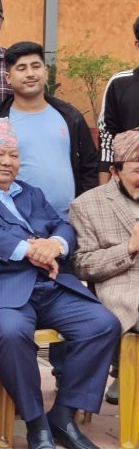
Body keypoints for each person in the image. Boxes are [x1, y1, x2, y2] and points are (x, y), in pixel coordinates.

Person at [0, 117, 121, 449]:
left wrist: (55, 244)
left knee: (102, 324)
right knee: (11, 332)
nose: (7, 162)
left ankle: (62, 415)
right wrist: (30, 249)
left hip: (47, 285)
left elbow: (62, 224)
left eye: (13, 155)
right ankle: (36, 424)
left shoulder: (30, 192)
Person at [70, 127, 139, 406]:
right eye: (137, 171)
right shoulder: (87, 204)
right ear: (115, 171)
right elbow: (82, 265)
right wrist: (129, 247)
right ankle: (126, 373)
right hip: (122, 287)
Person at [0, 41, 98, 219]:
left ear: (46, 72)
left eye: (36, 66)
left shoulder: (70, 117)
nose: (30, 73)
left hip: (68, 221)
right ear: (8, 78)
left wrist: (84, 209)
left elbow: (90, 166)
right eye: (21, 68)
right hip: (17, 222)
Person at [97, 16, 139, 185]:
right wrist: (103, 191)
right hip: (129, 185)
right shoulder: (119, 83)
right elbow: (107, 138)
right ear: (137, 45)